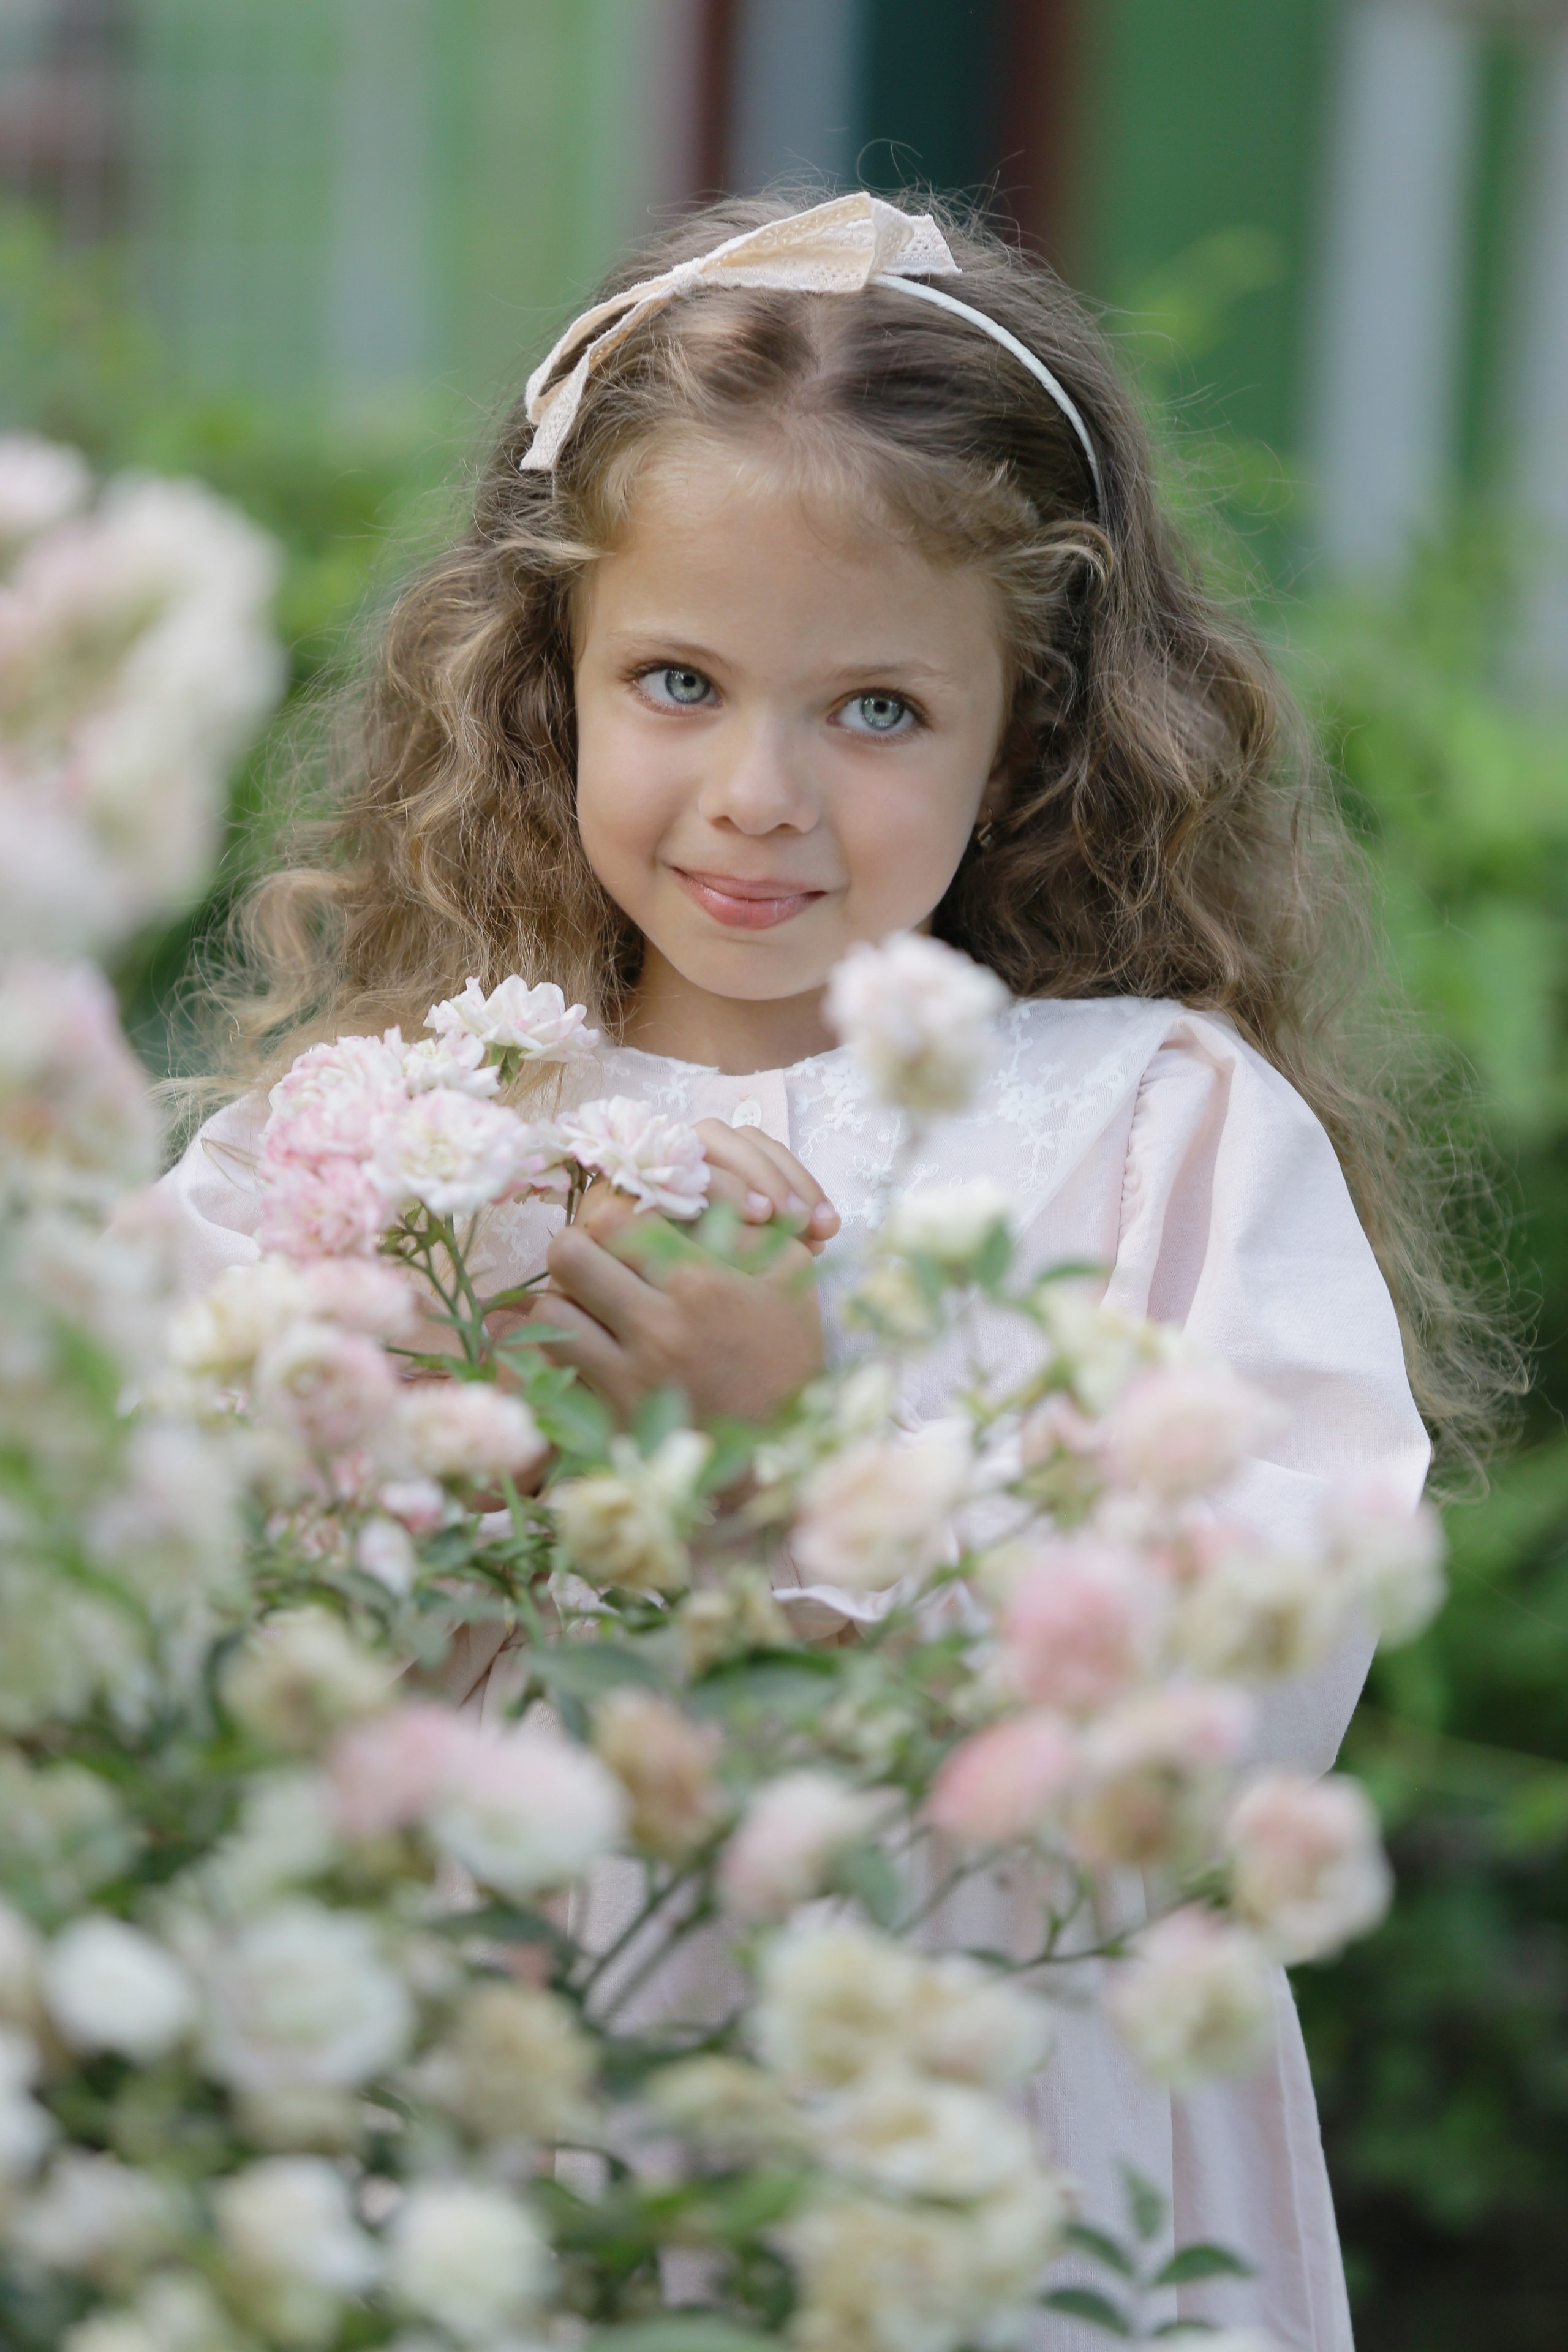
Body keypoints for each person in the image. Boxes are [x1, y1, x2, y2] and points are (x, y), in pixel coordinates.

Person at [156, 190, 1499, 2348]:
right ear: (550, 679)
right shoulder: (386, 1138)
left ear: (1028, 729)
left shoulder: (1148, 1128)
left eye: (875, 709)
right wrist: (378, 1408)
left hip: (981, 2142)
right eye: (676, 682)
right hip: (498, 2121)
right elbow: (138, 1609)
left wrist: (804, 1459)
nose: (758, 797)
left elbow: (1254, 1662)